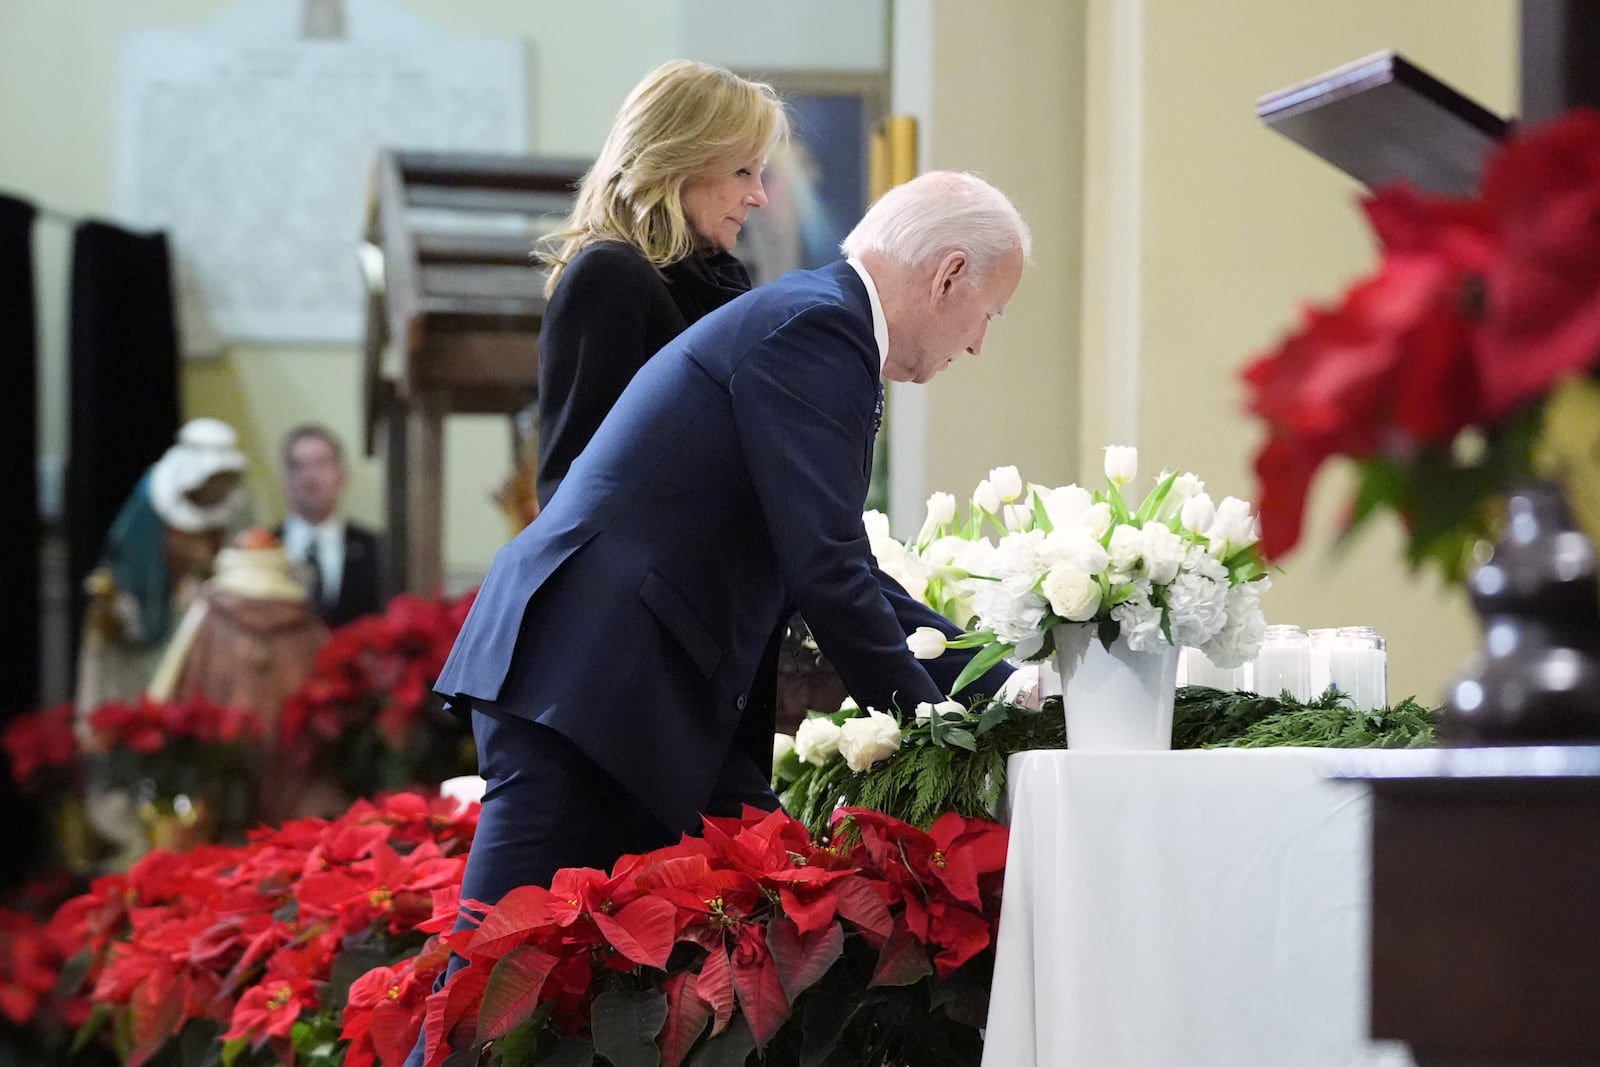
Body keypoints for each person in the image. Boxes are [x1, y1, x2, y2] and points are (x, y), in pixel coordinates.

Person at [534, 58, 788, 508]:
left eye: (760, 172)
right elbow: (575, 489)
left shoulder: (719, 278)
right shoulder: (608, 278)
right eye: (742, 171)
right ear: (679, 162)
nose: (759, 196)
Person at [147, 527, 335, 824]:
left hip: (226, 762)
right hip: (288, 768)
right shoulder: (304, 620)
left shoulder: (208, 613)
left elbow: (169, 690)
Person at [276, 424, 383, 628]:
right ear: (285, 480)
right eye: (297, 465)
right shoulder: (263, 548)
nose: (309, 476)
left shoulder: (376, 549)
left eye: (321, 463)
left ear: (341, 476)